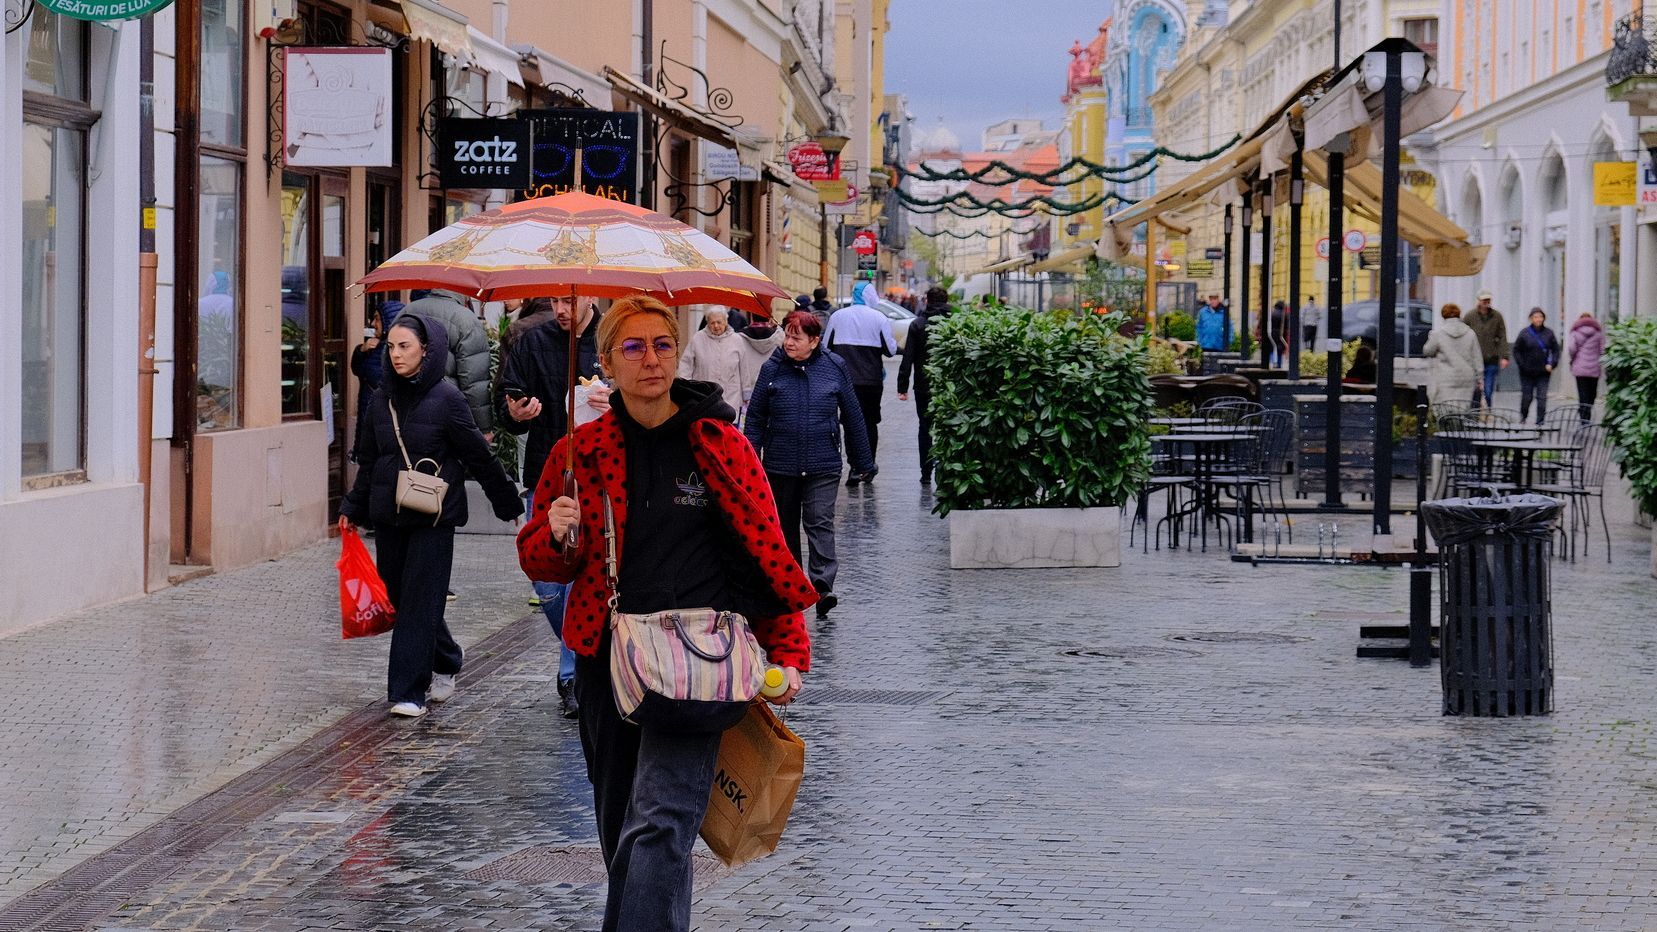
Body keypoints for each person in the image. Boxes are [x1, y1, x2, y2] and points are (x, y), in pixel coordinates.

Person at [516, 295, 814, 932]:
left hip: (701, 659)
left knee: (661, 823)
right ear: (605, 361)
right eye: (633, 347)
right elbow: (542, 563)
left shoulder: (720, 445)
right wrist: (556, 530)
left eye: (660, 345)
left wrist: (787, 651)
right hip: (610, 659)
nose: (650, 360)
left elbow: (763, 548)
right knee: (626, 826)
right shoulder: (578, 454)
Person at [338, 313, 523, 718]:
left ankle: (408, 692)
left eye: (405, 346)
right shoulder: (381, 398)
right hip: (389, 514)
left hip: (434, 517)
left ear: (427, 350)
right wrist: (352, 507)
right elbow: (368, 460)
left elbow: (479, 455)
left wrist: (507, 503)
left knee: (421, 602)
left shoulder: (447, 399)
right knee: (402, 598)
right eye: (391, 346)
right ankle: (449, 656)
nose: (397, 354)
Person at [496, 294, 607, 719]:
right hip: (544, 473)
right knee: (547, 584)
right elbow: (506, 404)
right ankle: (588, 649)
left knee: (584, 577)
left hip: (599, 477)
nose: (561, 309)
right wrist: (517, 413)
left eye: (569, 300)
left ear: (589, 297)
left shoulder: (611, 339)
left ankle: (572, 675)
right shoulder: (530, 339)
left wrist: (614, 400)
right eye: (556, 301)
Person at [745, 310, 875, 618]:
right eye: (787, 335)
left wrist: (863, 460)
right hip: (780, 463)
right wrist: (749, 461)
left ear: (814, 341)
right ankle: (793, 588)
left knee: (819, 522)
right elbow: (756, 419)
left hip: (823, 463)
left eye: (796, 337)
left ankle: (823, 587)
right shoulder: (772, 368)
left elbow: (853, 416)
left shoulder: (834, 367)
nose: (788, 342)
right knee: (785, 528)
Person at [823, 281, 896, 481]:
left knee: (848, 422)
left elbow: (825, 347)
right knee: (870, 423)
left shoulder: (837, 316)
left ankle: (854, 467)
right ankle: (869, 465)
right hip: (872, 381)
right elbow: (890, 350)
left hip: (844, 381)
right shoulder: (879, 318)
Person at [404, 289, 495, 433]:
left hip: (407, 407)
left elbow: (388, 362)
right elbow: (474, 381)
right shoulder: (466, 319)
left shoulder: (408, 311)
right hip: (448, 413)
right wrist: (483, 428)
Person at [898, 285, 951, 484]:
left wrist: (902, 386)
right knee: (950, 427)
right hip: (949, 384)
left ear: (927, 301)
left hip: (923, 383)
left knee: (925, 427)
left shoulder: (918, 324)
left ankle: (926, 472)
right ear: (946, 301)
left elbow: (908, 357)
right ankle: (947, 469)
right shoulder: (953, 321)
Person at [679, 308, 744, 412]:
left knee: (729, 426)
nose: (716, 326)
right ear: (707, 323)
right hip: (703, 396)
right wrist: (685, 389)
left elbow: (744, 369)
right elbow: (686, 365)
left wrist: (746, 394)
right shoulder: (698, 338)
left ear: (726, 321)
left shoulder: (737, 340)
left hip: (731, 396)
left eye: (719, 322)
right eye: (712, 323)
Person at [1421, 303, 1485, 409]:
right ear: (1459, 315)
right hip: (1466, 377)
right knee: (1462, 409)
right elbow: (1477, 357)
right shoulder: (1470, 333)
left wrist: (1430, 337)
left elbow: (1427, 351)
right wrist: (1480, 378)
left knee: (1446, 409)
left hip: (1445, 377)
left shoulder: (1438, 334)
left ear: (1443, 316)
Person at [1512, 307, 1560, 425]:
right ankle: (1523, 416)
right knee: (1527, 397)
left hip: (1543, 372)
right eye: (1536, 317)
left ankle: (1540, 421)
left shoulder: (1549, 333)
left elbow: (1556, 350)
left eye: (1540, 317)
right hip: (1527, 372)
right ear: (1531, 319)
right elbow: (1516, 350)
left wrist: (1552, 363)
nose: (1538, 319)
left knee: (1542, 397)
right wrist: (1522, 364)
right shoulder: (1524, 333)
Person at [1464, 289, 1509, 407]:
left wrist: (1504, 356)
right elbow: (1463, 335)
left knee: (1488, 390)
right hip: (1473, 359)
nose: (1486, 302)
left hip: (1491, 358)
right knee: (1475, 390)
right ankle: (1474, 414)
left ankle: (1487, 412)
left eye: (1488, 299)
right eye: (1484, 300)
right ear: (1478, 301)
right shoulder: (1470, 316)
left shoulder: (1497, 316)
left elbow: (1502, 336)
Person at [1567, 311, 1606, 425]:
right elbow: (1603, 350)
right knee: (1592, 394)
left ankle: (1584, 417)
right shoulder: (1598, 334)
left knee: (1582, 393)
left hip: (1580, 368)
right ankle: (1586, 411)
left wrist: (1573, 358)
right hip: (1594, 368)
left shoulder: (1575, 332)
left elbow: (1571, 348)